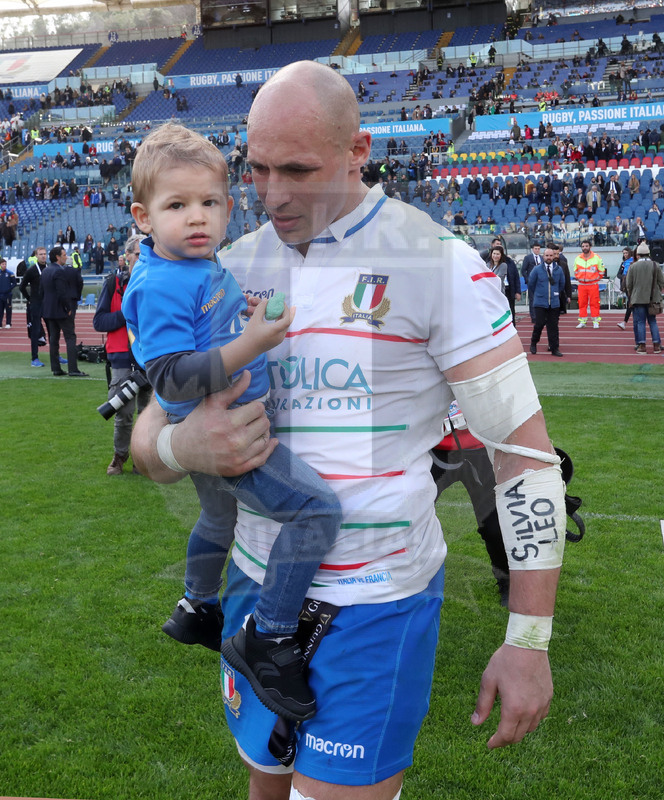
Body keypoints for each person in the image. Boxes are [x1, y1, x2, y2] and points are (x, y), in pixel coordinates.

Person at [130, 62, 566, 800]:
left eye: (298, 170)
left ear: (358, 150)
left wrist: (528, 639)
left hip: (376, 603)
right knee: (266, 786)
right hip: (252, 589)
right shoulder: (229, 263)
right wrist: (181, 445)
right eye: (258, 169)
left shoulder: (439, 266)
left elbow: (524, 457)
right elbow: (155, 425)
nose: (273, 193)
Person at [121, 123, 342, 722]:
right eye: (177, 206)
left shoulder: (195, 264)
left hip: (225, 422)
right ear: (143, 217)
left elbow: (203, 329)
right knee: (317, 510)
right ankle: (269, 636)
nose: (198, 217)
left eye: (210, 203)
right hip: (229, 436)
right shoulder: (163, 281)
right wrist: (252, 342)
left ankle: (196, 606)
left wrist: (237, 319)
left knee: (219, 516)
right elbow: (171, 378)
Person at [93, 234, 152, 475]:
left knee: (147, 415)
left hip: (149, 357)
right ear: (126, 256)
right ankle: (120, 456)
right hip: (121, 357)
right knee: (123, 414)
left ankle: (142, 459)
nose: (142, 258)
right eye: (138, 254)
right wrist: (127, 314)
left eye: (146, 254)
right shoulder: (112, 284)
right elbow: (99, 321)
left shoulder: (155, 283)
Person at [40, 246, 87, 377]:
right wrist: (68, 308)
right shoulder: (59, 271)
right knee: (70, 337)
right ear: (58, 257)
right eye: (64, 255)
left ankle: (56, 368)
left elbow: (41, 291)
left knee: (54, 339)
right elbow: (62, 292)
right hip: (61, 310)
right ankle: (73, 369)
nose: (66, 257)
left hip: (49, 310)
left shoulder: (45, 271)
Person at [626, 241, 664, 354]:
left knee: (640, 322)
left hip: (638, 298)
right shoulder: (655, 265)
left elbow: (629, 284)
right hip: (652, 298)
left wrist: (632, 295)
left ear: (638, 254)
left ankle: (642, 346)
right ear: (648, 253)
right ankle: (656, 345)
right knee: (653, 321)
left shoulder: (633, 266)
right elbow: (661, 282)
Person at [528, 245, 565, 357]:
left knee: (553, 327)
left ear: (554, 256)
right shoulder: (537, 269)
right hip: (540, 303)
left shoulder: (558, 269)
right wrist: (539, 294)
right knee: (539, 324)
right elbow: (531, 284)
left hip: (554, 303)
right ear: (543, 256)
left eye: (551, 255)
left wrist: (555, 293)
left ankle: (554, 348)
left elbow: (561, 284)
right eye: (547, 255)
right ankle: (534, 343)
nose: (549, 257)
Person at [19, 246, 48, 367]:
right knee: (35, 331)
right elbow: (22, 286)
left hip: (48, 304)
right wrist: (30, 299)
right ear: (36, 256)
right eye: (41, 254)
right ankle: (34, 358)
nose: (43, 256)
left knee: (53, 330)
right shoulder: (31, 270)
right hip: (36, 305)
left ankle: (56, 355)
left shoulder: (49, 268)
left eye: (44, 254)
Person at [573, 239, 605, 328]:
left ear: (590, 247)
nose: (585, 248)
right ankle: (582, 321)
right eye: (583, 246)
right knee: (582, 303)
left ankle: (595, 321)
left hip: (593, 285)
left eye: (586, 246)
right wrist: (579, 278)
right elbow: (575, 271)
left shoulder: (597, 258)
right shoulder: (578, 258)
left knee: (594, 303)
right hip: (582, 285)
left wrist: (595, 279)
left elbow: (601, 271)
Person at [486, 244, 520, 323]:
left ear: (501, 255)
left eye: (498, 254)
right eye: (494, 253)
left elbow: (498, 278)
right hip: (489, 294)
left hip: (500, 293)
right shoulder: (488, 264)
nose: (495, 256)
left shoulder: (503, 265)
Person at [521, 243, 543, 323]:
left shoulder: (542, 258)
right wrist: (527, 280)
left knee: (540, 298)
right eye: (536, 249)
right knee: (532, 299)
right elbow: (523, 270)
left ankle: (540, 316)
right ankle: (534, 317)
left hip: (540, 282)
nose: (537, 250)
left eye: (538, 249)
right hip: (531, 282)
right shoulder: (528, 258)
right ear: (533, 249)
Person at [616, 247, 634, 329]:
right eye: (624, 253)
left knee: (632, 303)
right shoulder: (623, 264)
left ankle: (625, 322)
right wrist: (624, 277)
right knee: (630, 303)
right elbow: (618, 274)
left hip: (634, 285)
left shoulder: (634, 262)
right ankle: (624, 322)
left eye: (626, 253)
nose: (625, 255)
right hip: (626, 286)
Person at [0, 257, 17, 328]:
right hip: (0, 295)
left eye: (5, 264)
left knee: (8, 309)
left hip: (7, 295)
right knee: (0, 310)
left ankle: (8, 323)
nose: (4, 265)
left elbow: (14, 283)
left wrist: (9, 289)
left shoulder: (10, 273)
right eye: (3, 264)